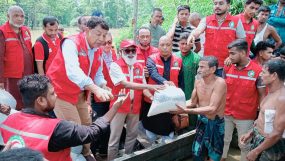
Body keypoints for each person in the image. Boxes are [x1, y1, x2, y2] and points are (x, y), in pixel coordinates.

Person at [0, 74, 128, 161]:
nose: (56, 96)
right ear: (40, 100)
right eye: (52, 93)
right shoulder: (56, 128)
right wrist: (116, 106)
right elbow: (93, 132)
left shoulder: (8, 121)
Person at [46, 16, 113, 161]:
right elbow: (73, 72)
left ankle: (86, 153)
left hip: (79, 94)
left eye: (104, 35)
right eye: (98, 34)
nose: (101, 39)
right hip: (60, 93)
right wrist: (95, 89)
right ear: (87, 30)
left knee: (87, 125)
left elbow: (98, 73)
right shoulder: (71, 43)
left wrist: (103, 85)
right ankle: (73, 157)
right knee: (74, 128)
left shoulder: (98, 50)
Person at [107, 39, 163, 160]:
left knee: (132, 135)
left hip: (135, 107)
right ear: (121, 51)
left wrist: (152, 97)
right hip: (119, 107)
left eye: (133, 50)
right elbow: (125, 84)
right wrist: (150, 86)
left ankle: (128, 157)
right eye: (127, 50)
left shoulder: (139, 66)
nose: (131, 53)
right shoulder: (115, 65)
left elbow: (143, 88)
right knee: (114, 138)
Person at [171, 56, 226, 161]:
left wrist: (185, 111)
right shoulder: (198, 80)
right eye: (198, 67)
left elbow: (212, 108)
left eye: (202, 67)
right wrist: (171, 106)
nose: (198, 70)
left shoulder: (220, 83)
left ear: (213, 69)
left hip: (215, 123)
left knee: (214, 155)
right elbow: (192, 102)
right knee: (198, 153)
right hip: (202, 121)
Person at [221, 39, 266, 161]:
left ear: (243, 53)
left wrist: (261, 115)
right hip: (227, 111)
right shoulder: (227, 67)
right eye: (229, 53)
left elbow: (262, 95)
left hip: (246, 115)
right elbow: (222, 88)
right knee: (224, 139)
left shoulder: (257, 71)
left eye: (232, 53)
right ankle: (222, 158)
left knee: (244, 144)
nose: (229, 56)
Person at [240, 59, 285, 161]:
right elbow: (265, 118)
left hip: (272, 146)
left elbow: (277, 133)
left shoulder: (282, 99)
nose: (260, 75)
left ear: (274, 76)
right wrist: (251, 132)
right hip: (261, 141)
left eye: (263, 72)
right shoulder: (271, 92)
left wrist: (256, 151)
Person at [141, 36, 184, 144]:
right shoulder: (151, 59)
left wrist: (181, 102)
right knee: (150, 132)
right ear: (158, 46)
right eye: (162, 45)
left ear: (172, 46)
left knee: (168, 131)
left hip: (170, 103)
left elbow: (181, 82)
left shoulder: (178, 61)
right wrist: (165, 82)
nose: (165, 47)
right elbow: (153, 73)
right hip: (152, 101)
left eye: (168, 45)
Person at [187, 0, 246, 77]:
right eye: (215, 4)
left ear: (228, 6)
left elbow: (242, 42)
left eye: (221, 3)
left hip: (226, 66)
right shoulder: (207, 20)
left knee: (223, 88)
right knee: (202, 87)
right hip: (207, 66)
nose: (217, 6)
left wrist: (233, 56)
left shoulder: (236, 21)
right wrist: (192, 35)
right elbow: (198, 30)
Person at [0, 5, 33, 110]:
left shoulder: (26, 30)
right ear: (8, 16)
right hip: (11, 76)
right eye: (16, 16)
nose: (19, 19)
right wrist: (0, 80)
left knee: (28, 99)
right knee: (14, 102)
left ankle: (26, 121)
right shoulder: (2, 32)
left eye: (22, 16)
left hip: (28, 74)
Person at [90, 32, 116, 156]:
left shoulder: (115, 54)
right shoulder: (96, 55)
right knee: (97, 126)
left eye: (109, 43)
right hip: (99, 97)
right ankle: (92, 153)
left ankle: (104, 152)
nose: (107, 45)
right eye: (104, 43)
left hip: (113, 96)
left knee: (109, 125)